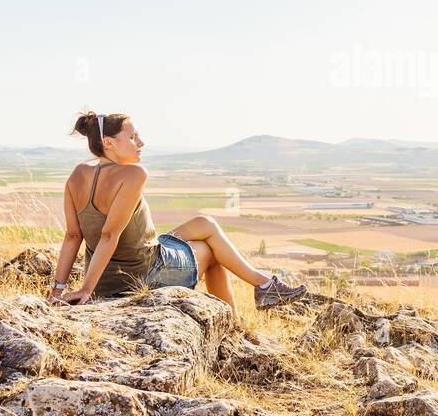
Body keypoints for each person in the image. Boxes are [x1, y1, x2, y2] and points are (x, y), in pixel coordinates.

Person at [49, 111, 306, 313]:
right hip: (143, 273)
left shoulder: (78, 174)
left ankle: (263, 284)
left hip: (107, 277)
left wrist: (58, 290)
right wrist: (85, 290)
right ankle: (243, 314)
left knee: (203, 223)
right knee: (213, 252)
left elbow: (73, 236)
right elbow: (108, 236)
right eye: (132, 137)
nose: (141, 142)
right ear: (108, 143)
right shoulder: (134, 174)